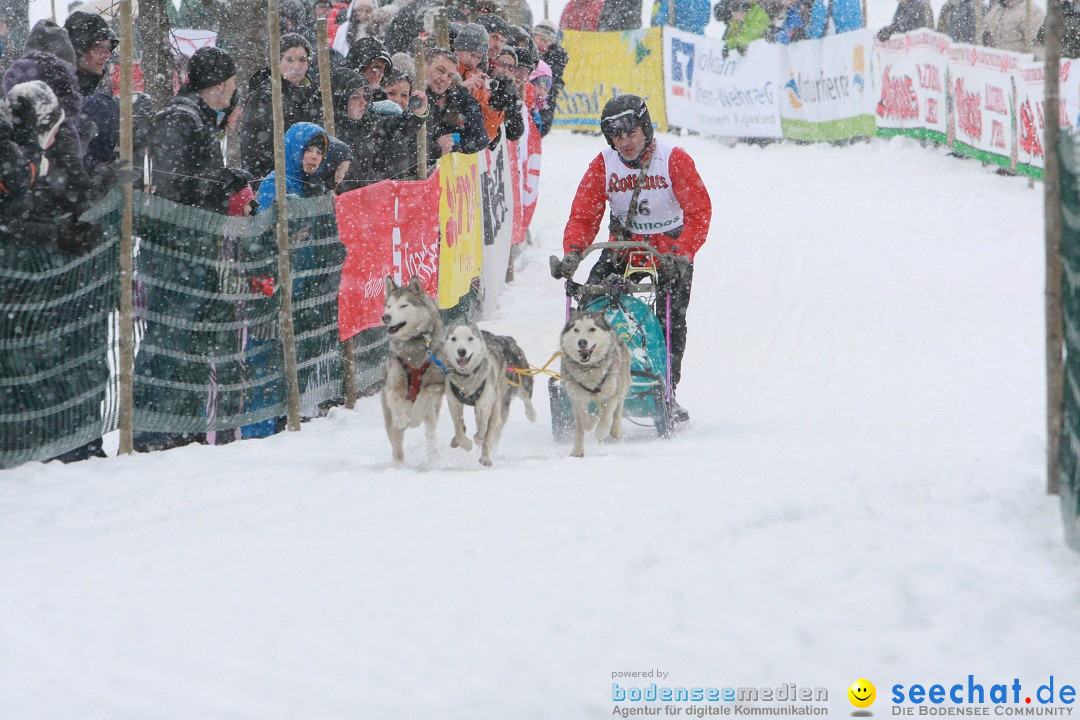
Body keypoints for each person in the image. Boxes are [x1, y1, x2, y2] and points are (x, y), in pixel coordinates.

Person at [552, 95, 711, 422]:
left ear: (646, 129)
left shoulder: (674, 160)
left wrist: (682, 253)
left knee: (671, 318)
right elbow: (584, 216)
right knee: (591, 304)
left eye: (631, 133)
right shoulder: (603, 165)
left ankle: (667, 388)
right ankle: (589, 381)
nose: (624, 143)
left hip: (668, 248)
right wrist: (573, 253)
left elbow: (699, 212)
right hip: (624, 244)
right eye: (616, 136)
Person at [240, 33, 322, 182]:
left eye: (302, 60)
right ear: (277, 62)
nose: (296, 66)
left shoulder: (315, 95)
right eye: (289, 60)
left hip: (307, 180)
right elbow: (255, 147)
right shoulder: (263, 96)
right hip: (274, 179)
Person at [424, 46, 488, 159]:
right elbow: (404, 149)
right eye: (440, 70)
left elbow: (479, 139)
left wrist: (462, 95)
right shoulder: (408, 93)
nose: (444, 78)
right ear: (424, 66)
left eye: (449, 76)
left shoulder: (449, 99)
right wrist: (435, 149)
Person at [532, 19, 568, 137]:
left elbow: (551, 89)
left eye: (549, 43)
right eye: (542, 40)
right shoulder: (523, 53)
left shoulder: (555, 58)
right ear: (533, 36)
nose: (545, 46)